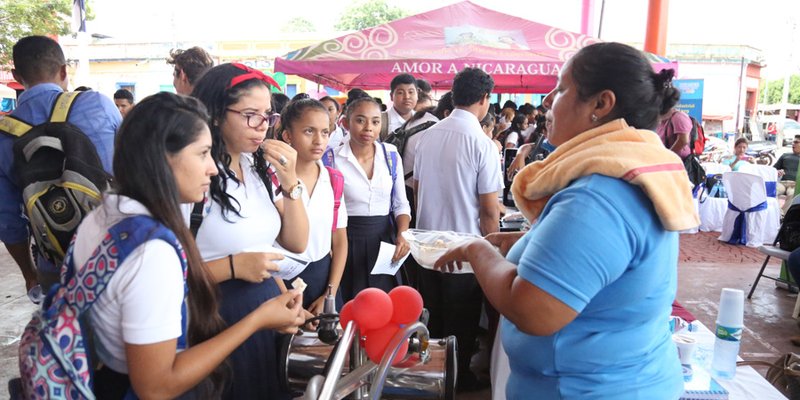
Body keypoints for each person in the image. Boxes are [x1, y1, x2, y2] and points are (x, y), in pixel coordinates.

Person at [435, 42, 695, 399]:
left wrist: (478, 250)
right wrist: (523, 245)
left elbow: (533, 311)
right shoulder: (627, 174)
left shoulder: (596, 198)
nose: (546, 101)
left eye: (560, 89)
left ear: (600, 104)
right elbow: (603, 264)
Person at [68, 92, 305, 398]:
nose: (214, 168)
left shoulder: (106, 214)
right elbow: (156, 386)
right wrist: (257, 320)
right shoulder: (153, 252)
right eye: (203, 153)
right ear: (163, 157)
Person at [191, 63, 310, 400]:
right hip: (214, 313)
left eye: (268, 116)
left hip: (265, 307)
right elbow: (163, 272)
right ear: (215, 114)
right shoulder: (193, 174)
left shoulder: (254, 166)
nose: (262, 127)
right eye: (249, 115)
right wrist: (234, 266)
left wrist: (291, 183)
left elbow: (296, 241)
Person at [0, 35, 121, 293]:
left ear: (16, 75)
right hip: (119, 249)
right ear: (64, 70)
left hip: (57, 267)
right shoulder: (98, 104)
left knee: (66, 331)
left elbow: (9, 221)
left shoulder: (3, 135)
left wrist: (31, 274)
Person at [413, 67, 503, 391]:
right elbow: (489, 210)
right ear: (485, 99)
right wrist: (492, 252)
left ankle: (433, 375)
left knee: (434, 316)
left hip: (426, 246)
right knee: (462, 321)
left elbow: (418, 188)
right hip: (464, 250)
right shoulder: (482, 143)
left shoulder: (429, 135)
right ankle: (457, 378)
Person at [333, 96, 411, 302]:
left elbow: (400, 203)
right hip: (345, 242)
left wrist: (402, 234)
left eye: (375, 121)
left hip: (385, 241)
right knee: (351, 305)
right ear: (346, 122)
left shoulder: (391, 155)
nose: (368, 127)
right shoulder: (332, 159)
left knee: (383, 306)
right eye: (360, 120)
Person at [279, 98, 348, 313]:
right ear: (287, 135)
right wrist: (285, 298)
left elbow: (339, 241)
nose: (319, 140)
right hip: (279, 282)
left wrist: (330, 294)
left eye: (325, 132)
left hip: (323, 279)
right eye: (309, 131)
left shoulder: (333, 179)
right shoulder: (271, 180)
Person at [774, 135, 800, 201]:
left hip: (794, 185)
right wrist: (777, 171)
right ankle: (777, 211)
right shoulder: (785, 155)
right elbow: (773, 169)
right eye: (793, 142)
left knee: (792, 194)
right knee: (772, 191)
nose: (793, 144)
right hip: (781, 182)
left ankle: (783, 211)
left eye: (796, 142)